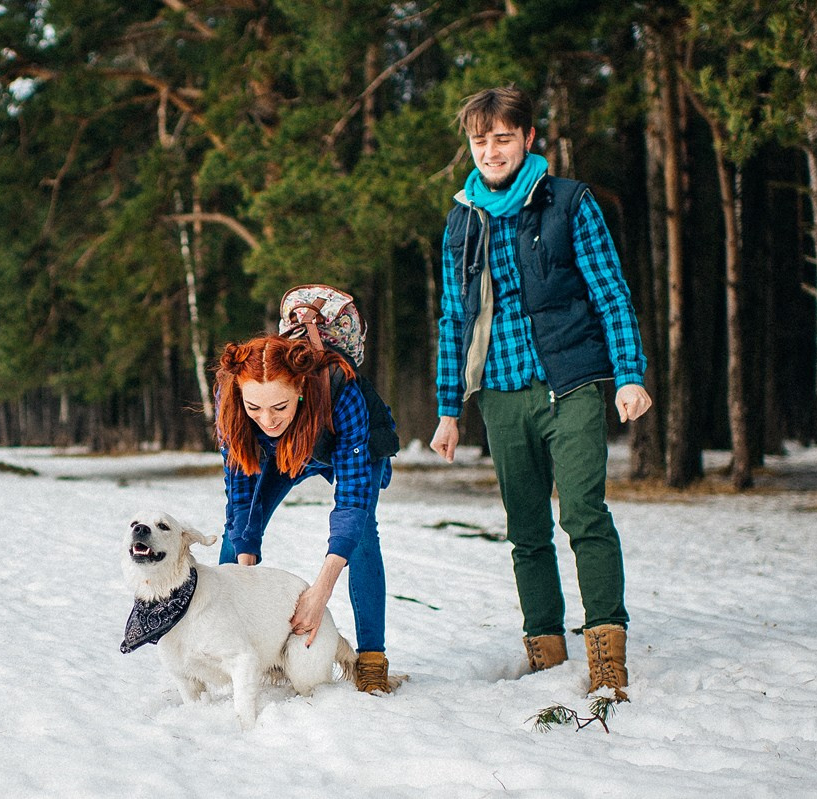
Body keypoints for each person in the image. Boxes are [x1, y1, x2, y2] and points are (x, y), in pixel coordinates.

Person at [430, 86, 652, 704]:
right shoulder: (461, 220)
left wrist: (629, 374)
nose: (492, 151)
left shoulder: (570, 203)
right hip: (500, 396)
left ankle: (606, 652)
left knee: (583, 513)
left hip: (570, 385)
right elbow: (454, 318)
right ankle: (546, 651)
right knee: (525, 529)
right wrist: (450, 411)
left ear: (529, 139)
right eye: (481, 141)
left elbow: (611, 291)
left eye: (504, 138)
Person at [214, 333, 400, 693]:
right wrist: (246, 573)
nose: (266, 420)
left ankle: (372, 661)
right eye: (254, 408)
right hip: (287, 449)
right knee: (236, 532)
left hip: (348, 440)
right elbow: (240, 502)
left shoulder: (340, 386)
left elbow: (352, 501)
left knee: (361, 535)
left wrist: (320, 592)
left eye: (278, 407)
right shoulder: (231, 399)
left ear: (299, 387)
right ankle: (223, 643)